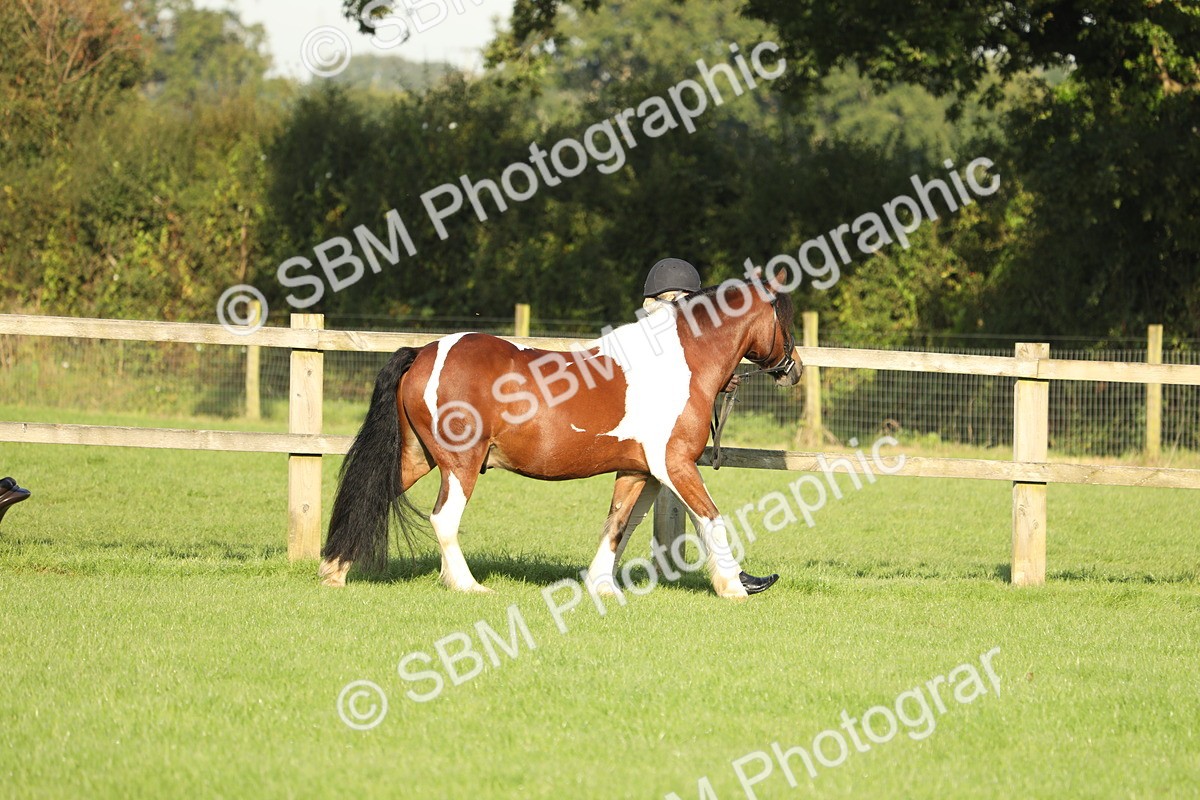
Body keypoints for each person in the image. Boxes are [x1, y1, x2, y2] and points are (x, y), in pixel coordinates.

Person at [637, 258, 779, 594]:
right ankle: (731, 575)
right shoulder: (659, 333)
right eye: (684, 300)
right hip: (661, 444)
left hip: (654, 446)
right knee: (706, 510)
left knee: (629, 508)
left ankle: (602, 572)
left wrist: (716, 381)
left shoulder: (661, 334)